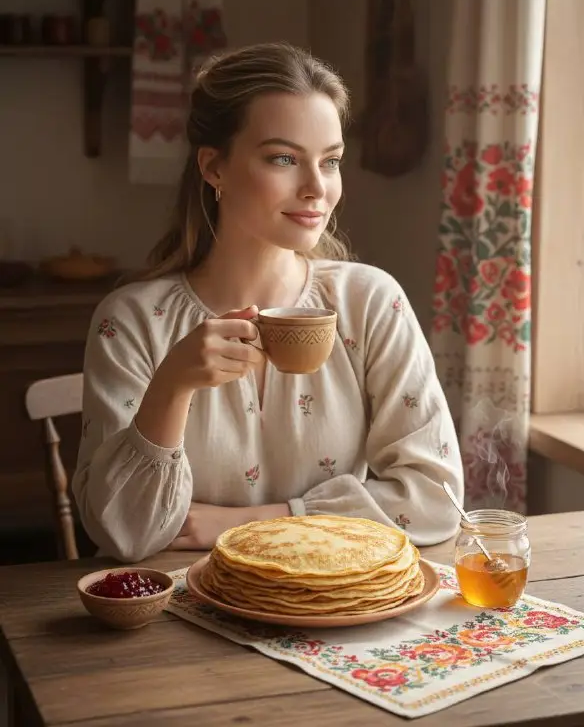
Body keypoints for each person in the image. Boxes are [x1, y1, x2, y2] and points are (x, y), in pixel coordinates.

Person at [72, 42, 464, 562]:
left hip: (330, 603)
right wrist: (172, 385)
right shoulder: (130, 322)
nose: (316, 188)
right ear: (214, 168)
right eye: (283, 158)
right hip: (175, 617)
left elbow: (436, 501)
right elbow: (124, 533)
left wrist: (253, 523)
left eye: (331, 161)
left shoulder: (371, 302)